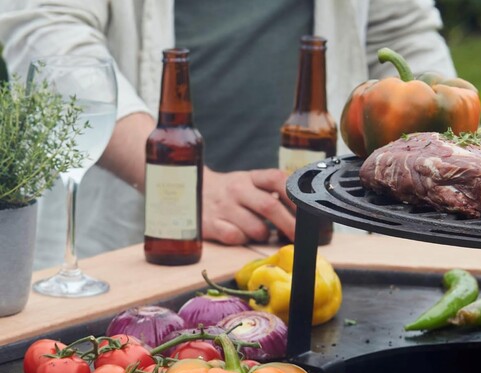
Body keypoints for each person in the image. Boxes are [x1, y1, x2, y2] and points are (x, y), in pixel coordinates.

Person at [0, 1, 456, 269]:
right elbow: (46, 31)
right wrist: (180, 184)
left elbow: (403, 36)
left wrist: (448, 173)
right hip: (142, 249)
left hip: (326, 245)